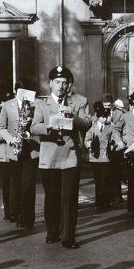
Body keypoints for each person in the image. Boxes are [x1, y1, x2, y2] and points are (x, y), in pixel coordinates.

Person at [31, 65, 92, 248]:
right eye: (57, 82)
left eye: (64, 83)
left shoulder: (80, 101)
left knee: (70, 198)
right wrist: (49, 125)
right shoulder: (41, 104)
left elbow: (88, 123)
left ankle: (68, 236)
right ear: (50, 84)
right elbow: (34, 127)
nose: (61, 87)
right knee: (52, 196)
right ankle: (52, 231)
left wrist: (72, 117)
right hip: (49, 157)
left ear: (69, 85)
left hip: (70, 156)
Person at [0, 81, 39, 229]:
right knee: (17, 185)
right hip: (14, 151)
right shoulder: (8, 105)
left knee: (28, 185)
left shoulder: (36, 104)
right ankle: (19, 216)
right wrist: (10, 139)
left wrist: (31, 125)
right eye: (21, 92)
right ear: (16, 92)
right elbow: (1, 127)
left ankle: (28, 219)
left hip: (31, 150)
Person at [85, 101, 113, 210]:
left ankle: (106, 202)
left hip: (106, 157)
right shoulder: (92, 128)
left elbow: (114, 138)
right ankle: (99, 202)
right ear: (99, 117)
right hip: (95, 158)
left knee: (105, 179)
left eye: (106, 117)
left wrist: (113, 145)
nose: (105, 119)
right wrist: (88, 144)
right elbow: (87, 139)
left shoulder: (110, 128)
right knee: (98, 181)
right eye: (103, 117)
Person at [102, 94, 125, 203]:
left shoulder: (119, 113)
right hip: (104, 145)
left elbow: (119, 128)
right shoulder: (99, 113)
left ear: (113, 105)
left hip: (116, 145)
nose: (106, 107)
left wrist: (111, 125)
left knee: (116, 171)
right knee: (106, 172)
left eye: (109, 105)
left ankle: (118, 195)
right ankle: (108, 196)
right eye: (105, 105)